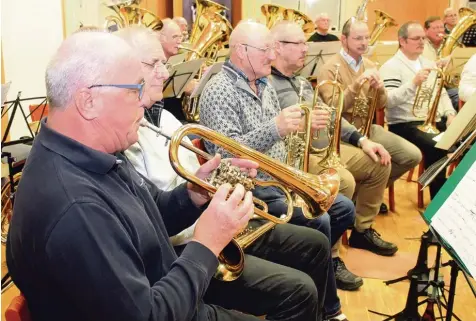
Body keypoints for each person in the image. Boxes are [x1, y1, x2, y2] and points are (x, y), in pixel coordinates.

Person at [6, 31, 329, 321]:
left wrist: (193, 194)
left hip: (172, 291)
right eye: (134, 90)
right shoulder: (76, 206)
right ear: (88, 101)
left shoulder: (93, 155)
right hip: (171, 305)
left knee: (299, 290)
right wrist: (207, 241)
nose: (143, 102)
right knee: (296, 296)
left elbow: (149, 217)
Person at [120, 27, 333, 320]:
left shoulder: (166, 119)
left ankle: (328, 310)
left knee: (318, 241)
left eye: (163, 64)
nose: (165, 73)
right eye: (153, 64)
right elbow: (227, 154)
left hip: (212, 215)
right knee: (301, 285)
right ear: (243, 51)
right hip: (190, 245)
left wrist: (198, 190)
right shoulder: (125, 136)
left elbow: (180, 188)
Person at [199, 21, 354, 321]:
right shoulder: (218, 90)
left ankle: (312, 284)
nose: (272, 56)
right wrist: (276, 128)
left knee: (343, 208)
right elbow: (224, 153)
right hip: (250, 191)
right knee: (320, 222)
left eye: (273, 48)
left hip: (278, 181)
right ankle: (327, 309)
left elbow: (279, 141)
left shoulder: (265, 83)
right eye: (266, 49)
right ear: (242, 52)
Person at [268, 21, 364, 291]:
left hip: (314, 150)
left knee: (355, 177)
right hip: (289, 158)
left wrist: (360, 138)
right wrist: (303, 123)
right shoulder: (267, 85)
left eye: (304, 43)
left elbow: (330, 114)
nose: (306, 48)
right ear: (278, 48)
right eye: (298, 44)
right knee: (342, 182)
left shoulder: (300, 82)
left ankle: (330, 251)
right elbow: (272, 133)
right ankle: (327, 258)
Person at [316, 18, 421, 255]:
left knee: (411, 155)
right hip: (343, 135)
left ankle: (366, 197)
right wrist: (355, 86)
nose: (364, 43)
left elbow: (381, 104)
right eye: (358, 38)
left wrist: (379, 88)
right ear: (343, 40)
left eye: (366, 38)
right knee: (378, 163)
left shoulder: (371, 63)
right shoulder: (329, 68)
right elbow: (333, 109)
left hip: (368, 129)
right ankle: (363, 225)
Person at [380, 21, 456, 199]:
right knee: (438, 146)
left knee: (468, 142)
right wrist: (413, 83)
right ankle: (441, 199)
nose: (422, 42)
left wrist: (450, 114)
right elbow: (389, 101)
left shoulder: (428, 62)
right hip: (405, 123)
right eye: (416, 38)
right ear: (402, 41)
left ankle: (460, 194)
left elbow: (441, 93)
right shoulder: (390, 66)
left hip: (434, 121)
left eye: (423, 38)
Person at [159, 19, 194, 122]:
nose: (179, 41)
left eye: (180, 37)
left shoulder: (180, 60)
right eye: (175, 37)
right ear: (161, 38)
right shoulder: (155, 64)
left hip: (179, 119)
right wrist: (182, 86)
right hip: (165, 121)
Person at [422, 16, 459, 110]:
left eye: (441, 27)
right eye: (435, 28)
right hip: (430, 87)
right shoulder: (421, 46)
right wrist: (437, 63)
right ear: (426, 30)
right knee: (458, 96)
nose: (439, 31)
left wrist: (452, 58)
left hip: (448, 85)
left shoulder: (450, 44)